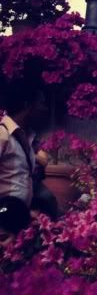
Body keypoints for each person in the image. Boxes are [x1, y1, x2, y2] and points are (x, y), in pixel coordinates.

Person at [0, 76, 49, 237]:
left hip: (15, 221)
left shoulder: (25, 138)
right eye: (41, 103)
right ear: (28, 105)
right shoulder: (3, 135)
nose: (45, 109)